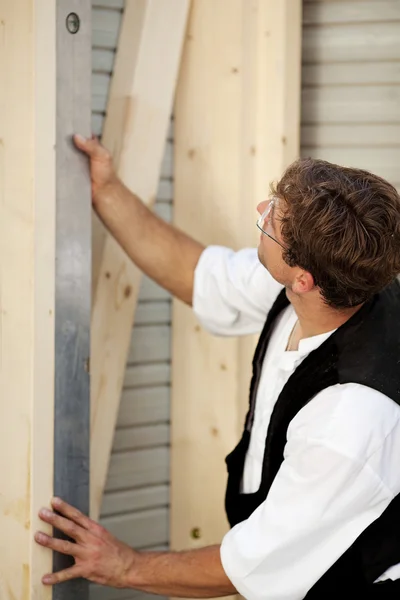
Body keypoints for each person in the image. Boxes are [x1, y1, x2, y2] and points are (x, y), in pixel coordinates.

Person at [35, 134, 400, 599]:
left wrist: (125, 566)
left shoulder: (354, 418)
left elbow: (257, 562)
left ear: (303, 278)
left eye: (271, 222)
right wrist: (106, 189)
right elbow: (197, 274)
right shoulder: (329, 287)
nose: (260, 209)